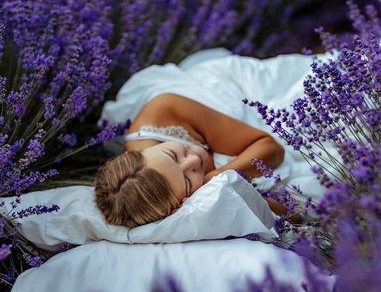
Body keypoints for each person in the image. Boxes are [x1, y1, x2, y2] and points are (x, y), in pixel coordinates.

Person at [94, 92, 296, 228]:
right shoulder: (176, 203)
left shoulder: (164, 109)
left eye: (173, 155)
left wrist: (216, 175)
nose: (193, 160)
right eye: (188, 180)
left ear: (132, 154)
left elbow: (272, 148)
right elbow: (294, 217)